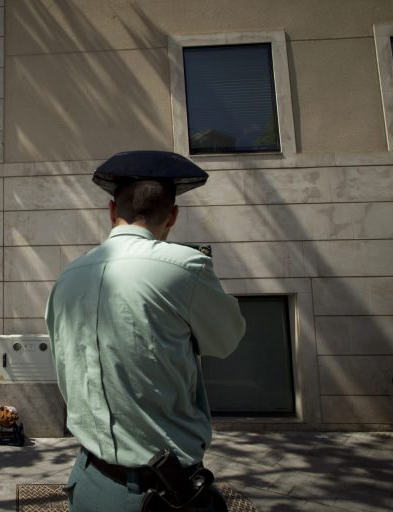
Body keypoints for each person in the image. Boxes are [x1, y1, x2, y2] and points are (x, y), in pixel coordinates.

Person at [45, 151, 246, 511]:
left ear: (111, 212)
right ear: (172, 216)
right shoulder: (186, 268)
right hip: (163, 494)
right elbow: (228, 340)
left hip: (88, 482)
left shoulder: (68, 277)